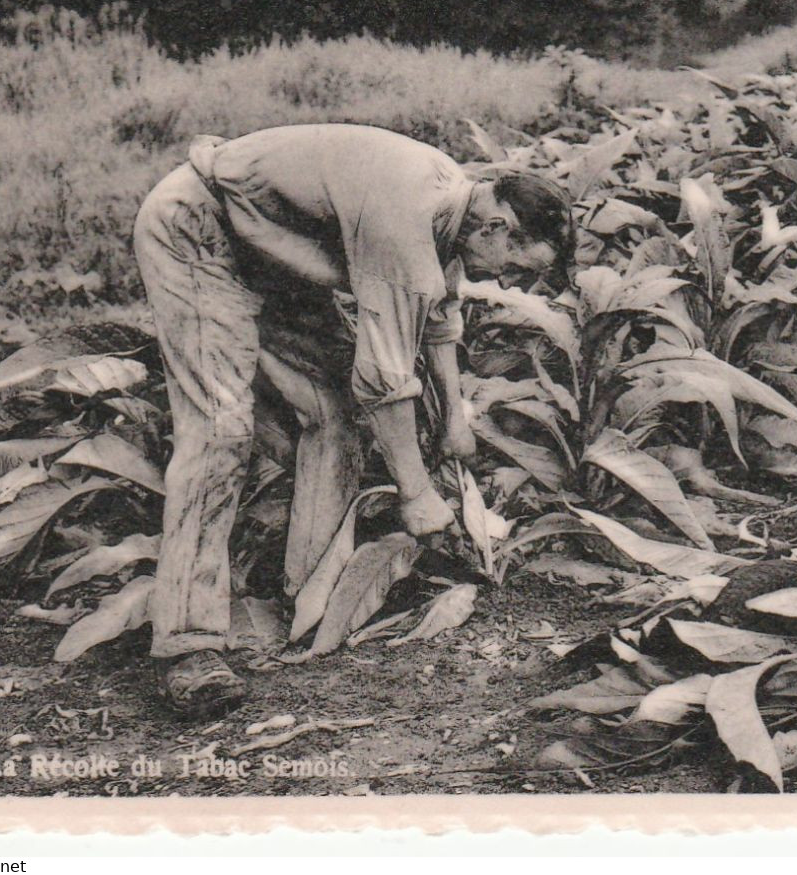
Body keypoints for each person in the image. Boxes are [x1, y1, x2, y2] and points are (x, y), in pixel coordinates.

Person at [132, 123, 575, 718]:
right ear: (497, 228)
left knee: (333, 413)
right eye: (521, 264)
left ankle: (306, 593)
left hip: (268, 253)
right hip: (197, 230)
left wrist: (453, 421)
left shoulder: (455, 205)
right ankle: (187, 644)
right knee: (220, 430)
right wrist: (417, 495)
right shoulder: (407, 216)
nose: (513, 280)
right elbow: (385, 381)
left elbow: (439, 314)